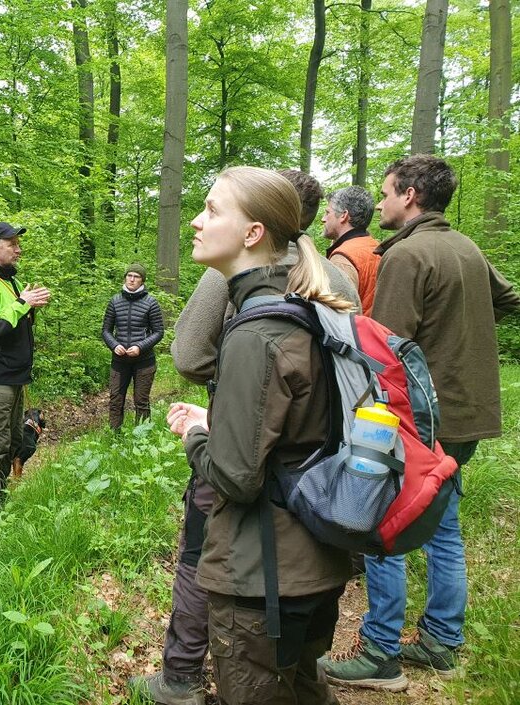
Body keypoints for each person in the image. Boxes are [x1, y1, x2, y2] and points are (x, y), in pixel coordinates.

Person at [131, 170, 359, 704]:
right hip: (318, 547)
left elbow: (235, 475)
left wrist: (195, 432)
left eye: (211, 210)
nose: (195, 219)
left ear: (253, 232)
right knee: (304, 683)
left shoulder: (256, 333)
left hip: (265, 571)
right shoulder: (315, 290)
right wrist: (226, 421)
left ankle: (179, 679)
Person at [320, 155, 519, 690]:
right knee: (444, 524)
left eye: (386, 193)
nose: (379, 203)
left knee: (383, 520)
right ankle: (441, 641)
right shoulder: (467, 248)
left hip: (422, 417)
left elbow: (384, 349)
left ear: (409, 196)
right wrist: (459, 328)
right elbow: (510, 299)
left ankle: (381, 650)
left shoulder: (407, 255)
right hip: (470, 414)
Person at [171, 169, 360, 385]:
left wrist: (230, 388)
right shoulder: (338, 277)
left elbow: (190, 359)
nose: (196, 221)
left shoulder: (229, 270)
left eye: (213, 210)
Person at [0, 222, 51, 517]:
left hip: (16, 376)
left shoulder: (10, 281)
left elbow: (12, 321)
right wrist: (21, 304)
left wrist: (29, 307)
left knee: (13, 440)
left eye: (18, 243)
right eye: (12, 243)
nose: (19, 249)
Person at [101, 263, 164, 430]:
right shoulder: (114, 301)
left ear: (142, 280)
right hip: (119, 360)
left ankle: (141, 437)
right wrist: (114, 345)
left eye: (136, 277)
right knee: (115, 399)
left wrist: (140, 347)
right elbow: (106, 331)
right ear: (125, 278)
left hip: (144, 361)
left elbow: (158, 332)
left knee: (141, 401)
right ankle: (115, 436)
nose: (132, 279)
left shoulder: (151, 303)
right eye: (129, 275)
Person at [321, 185, 381, 315]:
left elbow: (338, 317)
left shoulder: (343, 258)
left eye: (327, 213)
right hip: (377, 332)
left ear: (344, 215)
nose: (323, 219)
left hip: (358, 333)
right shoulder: (377, 247)